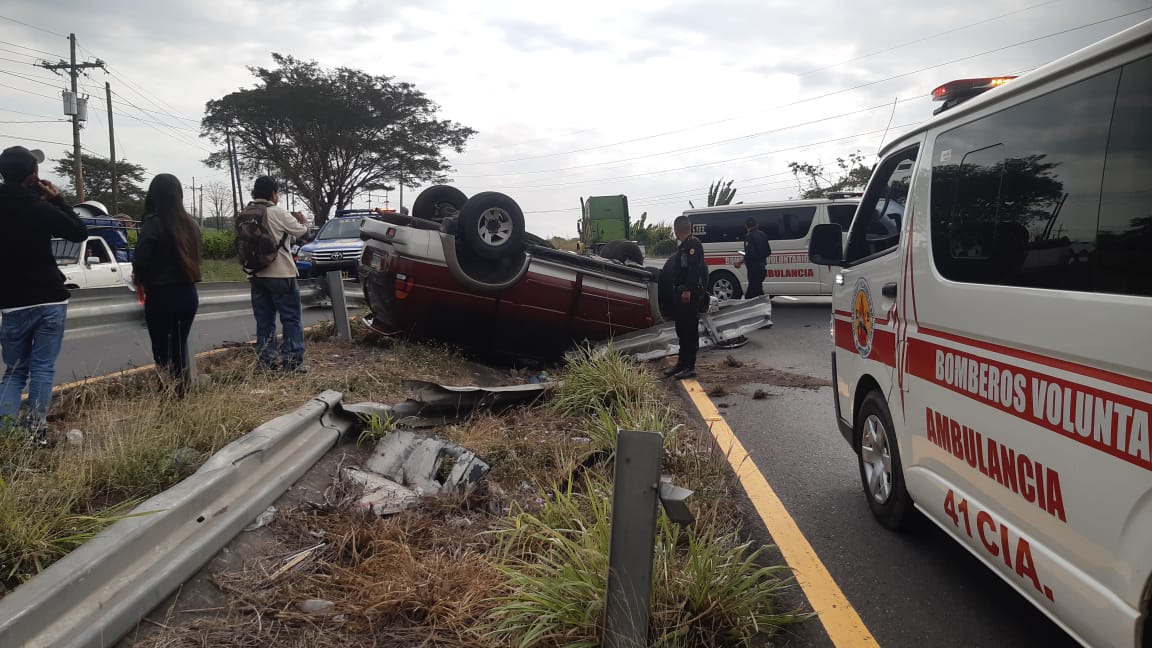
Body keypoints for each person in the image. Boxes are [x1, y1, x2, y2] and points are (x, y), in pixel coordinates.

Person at [0, 146, 88, 444]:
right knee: (42, 367)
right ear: (32, 177)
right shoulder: (40, 208)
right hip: (50, 297)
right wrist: (58, 199)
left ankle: (5, 434)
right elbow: (79, 232)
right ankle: (36, 430)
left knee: (14, 372)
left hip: (11, 302)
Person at [132, 174, 202, 393]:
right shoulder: (192, 224)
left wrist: (140, 278)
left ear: (154, 195)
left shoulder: (153, 224)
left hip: (161, 294)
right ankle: (180, 392)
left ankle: (167, 394)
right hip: (188, 293)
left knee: (162, 350)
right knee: (179, 346)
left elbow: (140, 260)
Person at [245, 176, 309, 372]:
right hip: (281, 273)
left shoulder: (245, 213)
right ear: (273, 194)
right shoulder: (278, 212)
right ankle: (292, 362)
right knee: (291, 319)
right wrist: (303, 221)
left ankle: (265, 362)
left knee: (264, 321)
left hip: (256, 274)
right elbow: (304, 234)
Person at [664, 216, 706, 380]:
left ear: (676, 230)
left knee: (689, 330)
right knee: (681, 329)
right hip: (680, 292)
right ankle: (681, 363)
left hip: (689, 293)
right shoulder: (684, 245)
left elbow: (694, 270)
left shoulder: (693, 244)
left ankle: (690, 366)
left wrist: (687, 290)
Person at [733, 216, 771, 299]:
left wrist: (740, 262)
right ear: (757, 225)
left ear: (746, 226)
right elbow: (768, 251)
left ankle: (749, 304)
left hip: (753, 269)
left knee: (751, 292)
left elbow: (750, 254)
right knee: (758, 290)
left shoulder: (749, 236)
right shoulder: (763, 234)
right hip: (762, 267)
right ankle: (762, 303)